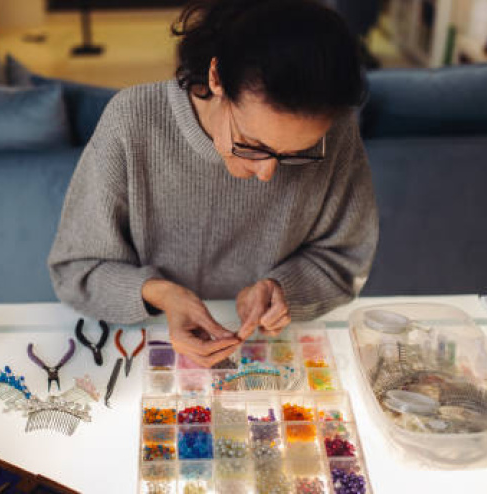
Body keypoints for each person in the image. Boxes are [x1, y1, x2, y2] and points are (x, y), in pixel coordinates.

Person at [48, 0, 378, 367]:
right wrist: (161, 295)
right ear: (217, 78)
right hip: (145, 344)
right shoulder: (132, 121)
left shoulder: (335, 133)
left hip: (275, 350)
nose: (268, 174)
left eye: (296, 154)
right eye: (252, 145)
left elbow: (346, 259)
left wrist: (285, 288)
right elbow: (76, 270)